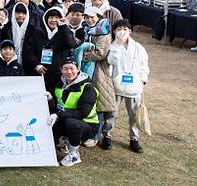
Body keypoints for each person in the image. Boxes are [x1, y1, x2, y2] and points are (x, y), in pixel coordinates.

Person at [102, 19, 149, 153]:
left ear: (130, 31)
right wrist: (117, 45)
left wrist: (143, 79)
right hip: (116, 86)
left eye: (125, 29)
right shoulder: (112, 46)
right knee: (112, 113)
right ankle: (107, 135)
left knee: (134, 115)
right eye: (118, 29)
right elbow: (111, 61)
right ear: (114, 31)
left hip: (134, 87)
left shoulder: (138, 47)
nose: (122, 31)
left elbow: (143, 64)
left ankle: (134, 138)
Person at [47, 58, 99, 167]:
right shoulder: (60, 83)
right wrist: (50, 99)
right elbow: (58, 106)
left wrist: (58, 115)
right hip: (67, 119)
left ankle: (74, 155)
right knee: (49, 123)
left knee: (72, 123)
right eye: (65, 68)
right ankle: (63, 144)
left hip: (88, 124)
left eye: (72, 68)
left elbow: (82, 113)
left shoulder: (88, 87)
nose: (69, 72)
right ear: (61, 70)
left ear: (78, 69)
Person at [28, 7, 78, 91]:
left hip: (58, 73)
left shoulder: (64, 31)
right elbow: (29, 50)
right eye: (51, 17)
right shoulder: (37, 32)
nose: (53, 20)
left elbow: (71, 44)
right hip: (41, 72)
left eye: (57, 17)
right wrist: (36, 65)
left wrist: (64, 27)